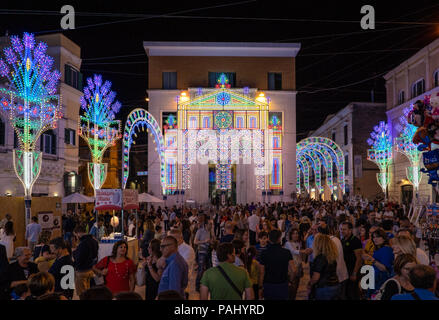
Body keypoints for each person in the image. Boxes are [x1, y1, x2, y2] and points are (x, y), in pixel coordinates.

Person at [259, 229, 296, 300]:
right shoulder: (286, 252)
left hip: (269, 284)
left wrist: (260, 286)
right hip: (282, 283)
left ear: (269, 239)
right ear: (279, 239)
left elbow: (262, 272)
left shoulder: (264, 253)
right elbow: (294, 270)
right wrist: (290, 281)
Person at [308, 233, 340, 300]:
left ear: (319, 244)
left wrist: (310, 284)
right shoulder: (332, 256)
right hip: (335, 285)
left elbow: (316, 277)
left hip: (324, 287)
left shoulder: (320, 258)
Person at [72, 224, 98, 297]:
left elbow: (79, 259)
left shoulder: (82, 243)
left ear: (78, 233)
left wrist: (74, 253)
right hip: (90, 270)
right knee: (88, 293)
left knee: (82, 295)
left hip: (81, 271)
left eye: (76, 235)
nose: (76, 238)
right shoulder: (94, 241)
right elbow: (95, 255)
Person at [340, 221, 363, 300]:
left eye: (344, 229)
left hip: (352, 270)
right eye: (341, 229)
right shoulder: (343, 240)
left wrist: (354, 273)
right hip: (345, 271)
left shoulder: (355, 241)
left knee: (353, 293)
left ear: (350, 230)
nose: (342, 231)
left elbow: (359, 259)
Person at [194, 218, 211, 292]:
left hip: (208, 251)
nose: (211, 225)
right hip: (201, 252)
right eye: (210, 224)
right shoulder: (200, 231)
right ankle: (197, 287)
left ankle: (207, 286)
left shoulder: (210, 231)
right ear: (206, 224)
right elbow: (195, 242)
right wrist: (205, 241)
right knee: (200, 270)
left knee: (209, 269)